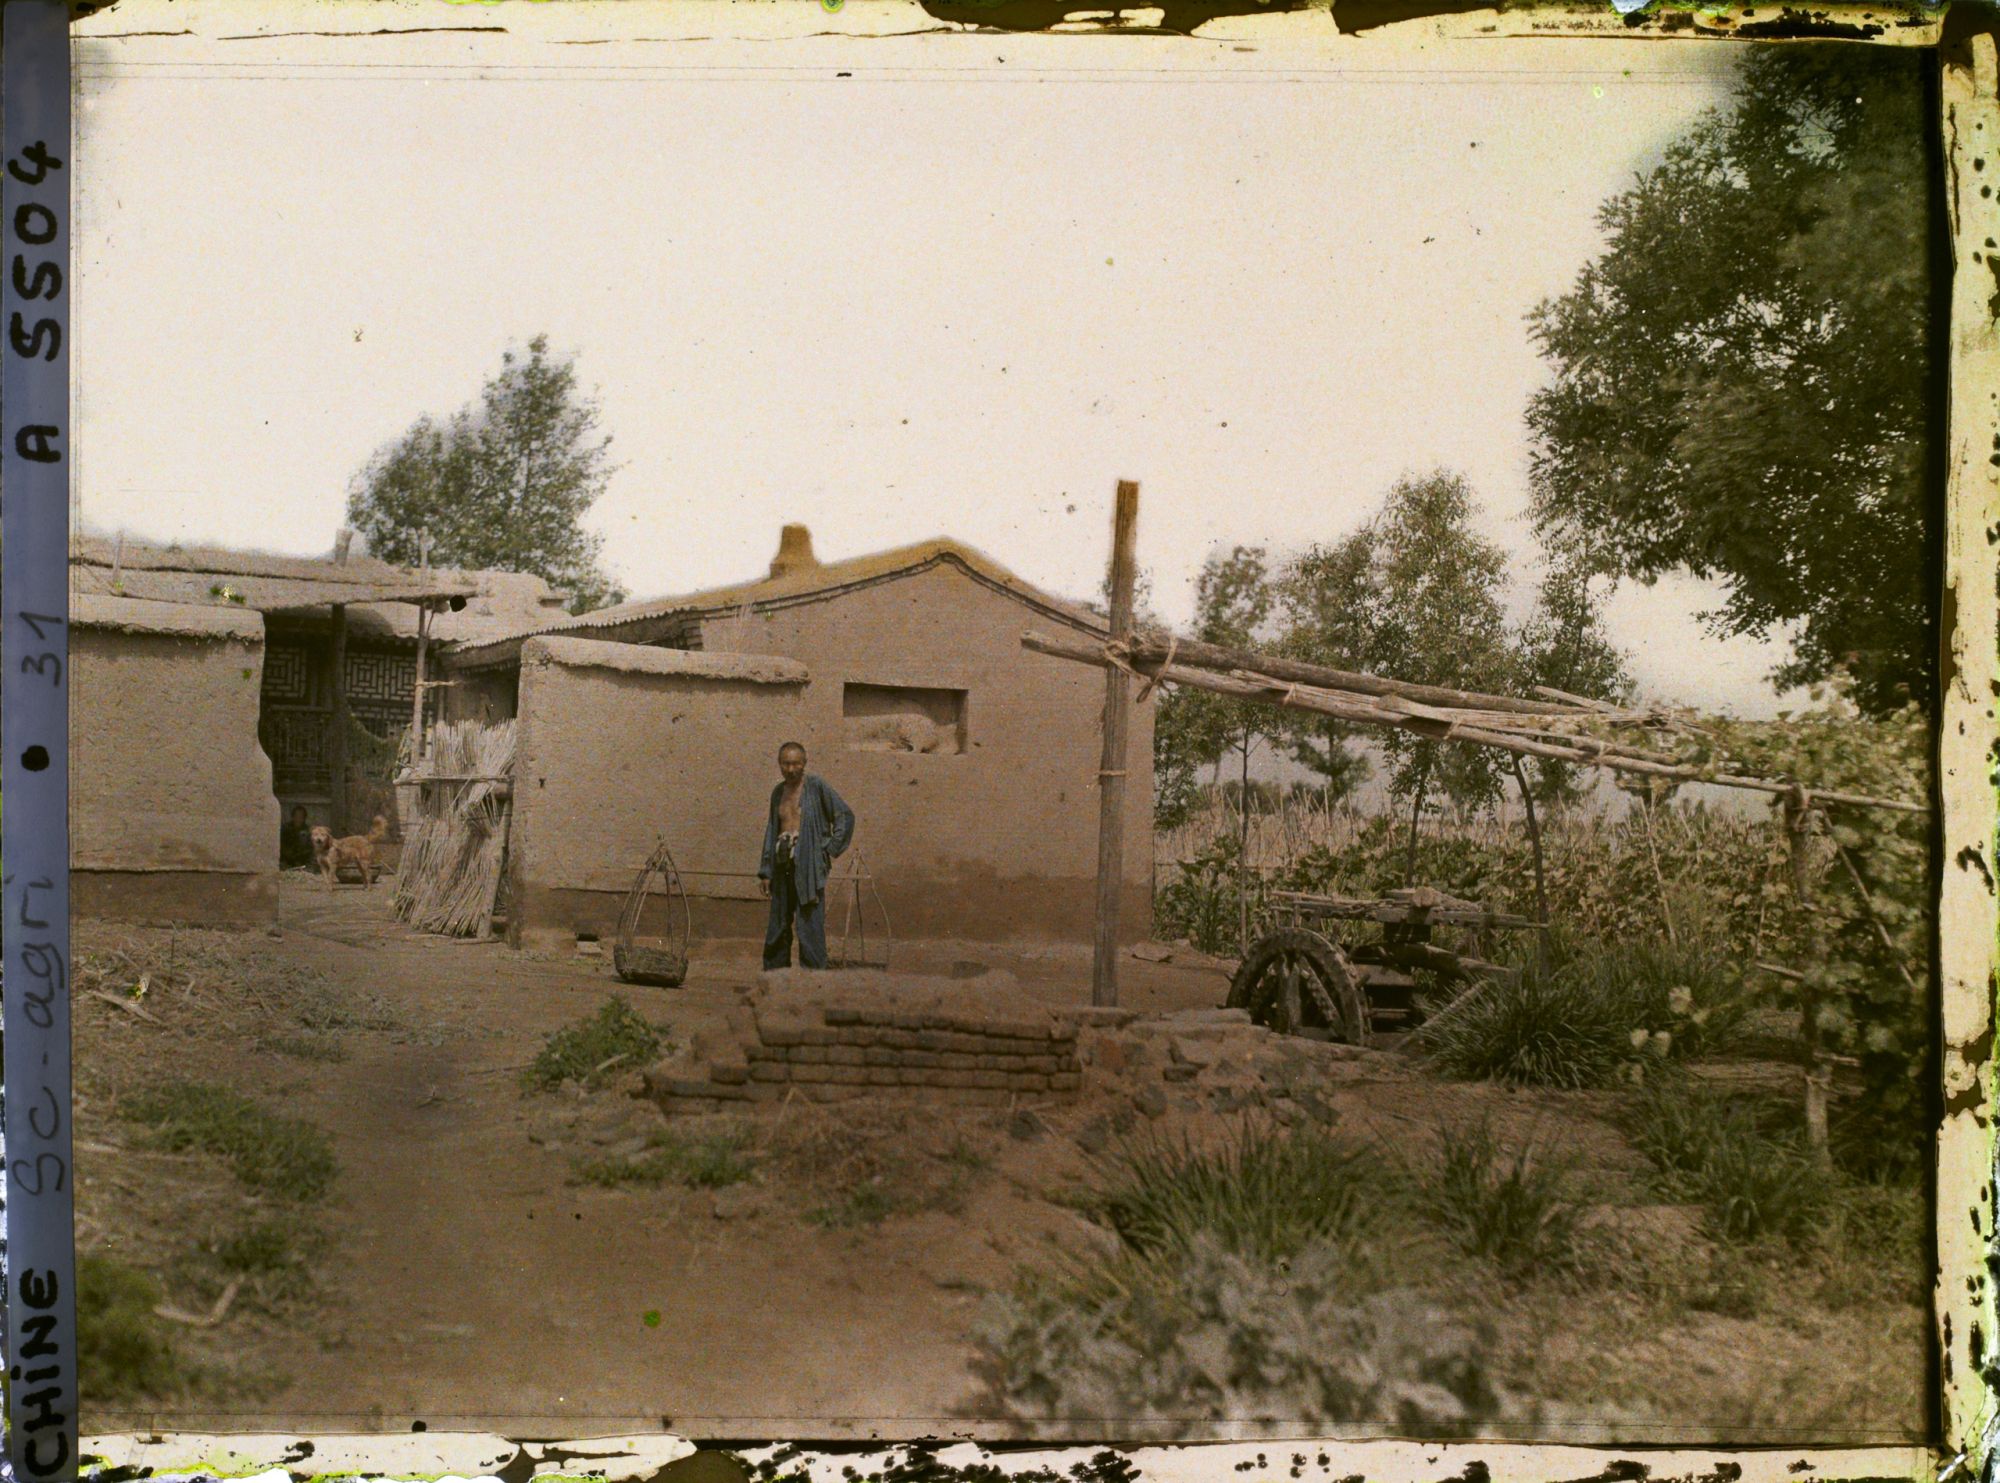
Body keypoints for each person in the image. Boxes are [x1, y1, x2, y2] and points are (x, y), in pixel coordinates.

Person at [757, 741, 855, 970]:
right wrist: (766, 871)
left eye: (795, 764)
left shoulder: (817, 787)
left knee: (809, 925)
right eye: (785, 764)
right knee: (778, 925)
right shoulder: (777, 793)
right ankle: (775, 977)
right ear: (779, 764)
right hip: (782, 866)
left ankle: (813, 981)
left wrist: (828, 849)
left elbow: (844, 816)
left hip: (809, 867)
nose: (790, 769)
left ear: (804, 763)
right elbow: (772, 830)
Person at [279, 804, 317, 869]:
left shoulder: (307, 830)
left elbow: (310, 849)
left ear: (304, 818)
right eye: (296, 816)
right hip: (287, 860)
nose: (298, 819)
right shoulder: (285, 828)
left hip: (302, 861)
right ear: (292, 817)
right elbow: (282, 846)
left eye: (301, 817)